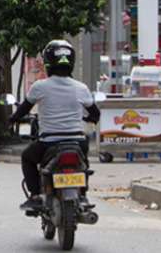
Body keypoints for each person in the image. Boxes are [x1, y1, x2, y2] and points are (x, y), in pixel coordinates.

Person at [8, 40, 101, 211]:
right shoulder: (81, 88)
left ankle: (35, 196)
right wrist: (87, 120)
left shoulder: (40, 86)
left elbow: (24, 109)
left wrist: (12, 119)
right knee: (83, 165)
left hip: (49, 142)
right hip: (77, 142)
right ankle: (83, 195)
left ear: (48, 63)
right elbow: (95, 114)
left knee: (27, 158)